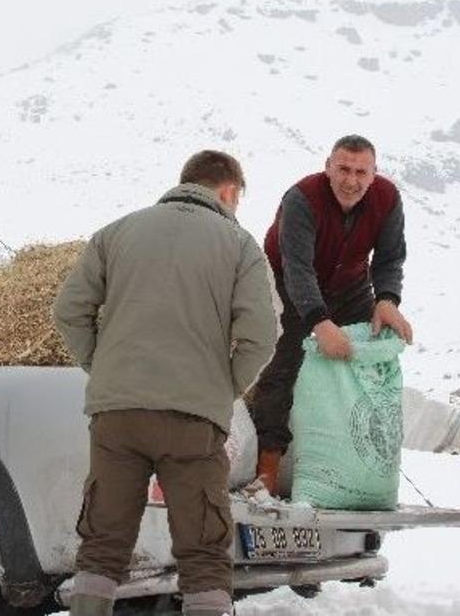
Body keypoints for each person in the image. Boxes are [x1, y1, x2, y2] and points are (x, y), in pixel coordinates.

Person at [53, 150, 277, 616]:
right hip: (192, 422)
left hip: (117, 417)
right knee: (203, 553)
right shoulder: (240, 246)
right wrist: (223, 387)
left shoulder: (116, 233)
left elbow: (68, 311)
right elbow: (262, 333)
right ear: (229, 192)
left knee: (102, 546)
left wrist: (108, 370)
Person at [247, 135, 412, 494]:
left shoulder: (387, 198)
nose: (351, 181)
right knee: (284, 363)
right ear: (328, 167)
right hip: (287, 283)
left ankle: (357, 465)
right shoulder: (301, 199)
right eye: (343, 169)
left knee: (366, 362)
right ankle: (268, 468)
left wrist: (387, 299)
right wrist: (319, 323)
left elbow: (389, 257)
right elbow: (297, 270)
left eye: (360, 172)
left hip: (351, 283)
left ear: (373, 174)